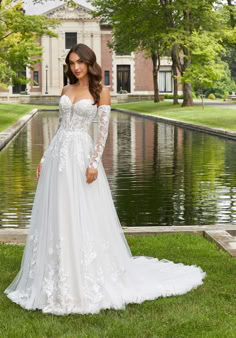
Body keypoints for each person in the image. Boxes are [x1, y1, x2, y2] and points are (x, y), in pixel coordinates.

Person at [4, 44, 206, 315]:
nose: (75, 67)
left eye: (80, 62)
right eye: (72, 63)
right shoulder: (65, 90)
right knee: (59, 214)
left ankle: (85, 273)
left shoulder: (102, 92)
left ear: (89, 63)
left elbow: (102, 133)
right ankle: (55, 273)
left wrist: (93, 163)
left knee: (83, 214)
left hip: (81, 158)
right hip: (58, 159)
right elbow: (60, 128)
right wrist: (43, 159)